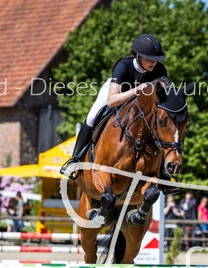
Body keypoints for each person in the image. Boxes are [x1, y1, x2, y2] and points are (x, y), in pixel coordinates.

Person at [60, 34, 177, 192]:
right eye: (149, 58)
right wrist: (137, 90)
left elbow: (165, 99)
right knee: (93, 115)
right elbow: (112, 101)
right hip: (118, 93)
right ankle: (75, 159)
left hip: (141, 106)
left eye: (156, 59)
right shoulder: (124, 66)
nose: (153, 62)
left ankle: (162, 173)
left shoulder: (160, 69)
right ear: (138, 56)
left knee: (159, 125)